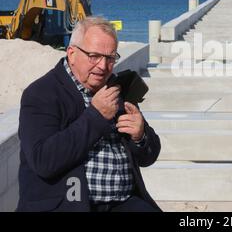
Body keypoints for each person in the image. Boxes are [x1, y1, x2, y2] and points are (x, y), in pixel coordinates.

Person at [17, 17, 161, 212]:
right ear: (72, 53)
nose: (102, 66)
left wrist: (140, 136)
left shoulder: (116, 88)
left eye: (110, 58)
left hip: (124, 201)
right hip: (67, 204)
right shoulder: (42, 94)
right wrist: (96, 117)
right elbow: (44, 161)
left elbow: (148, 156)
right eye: (94, 56)